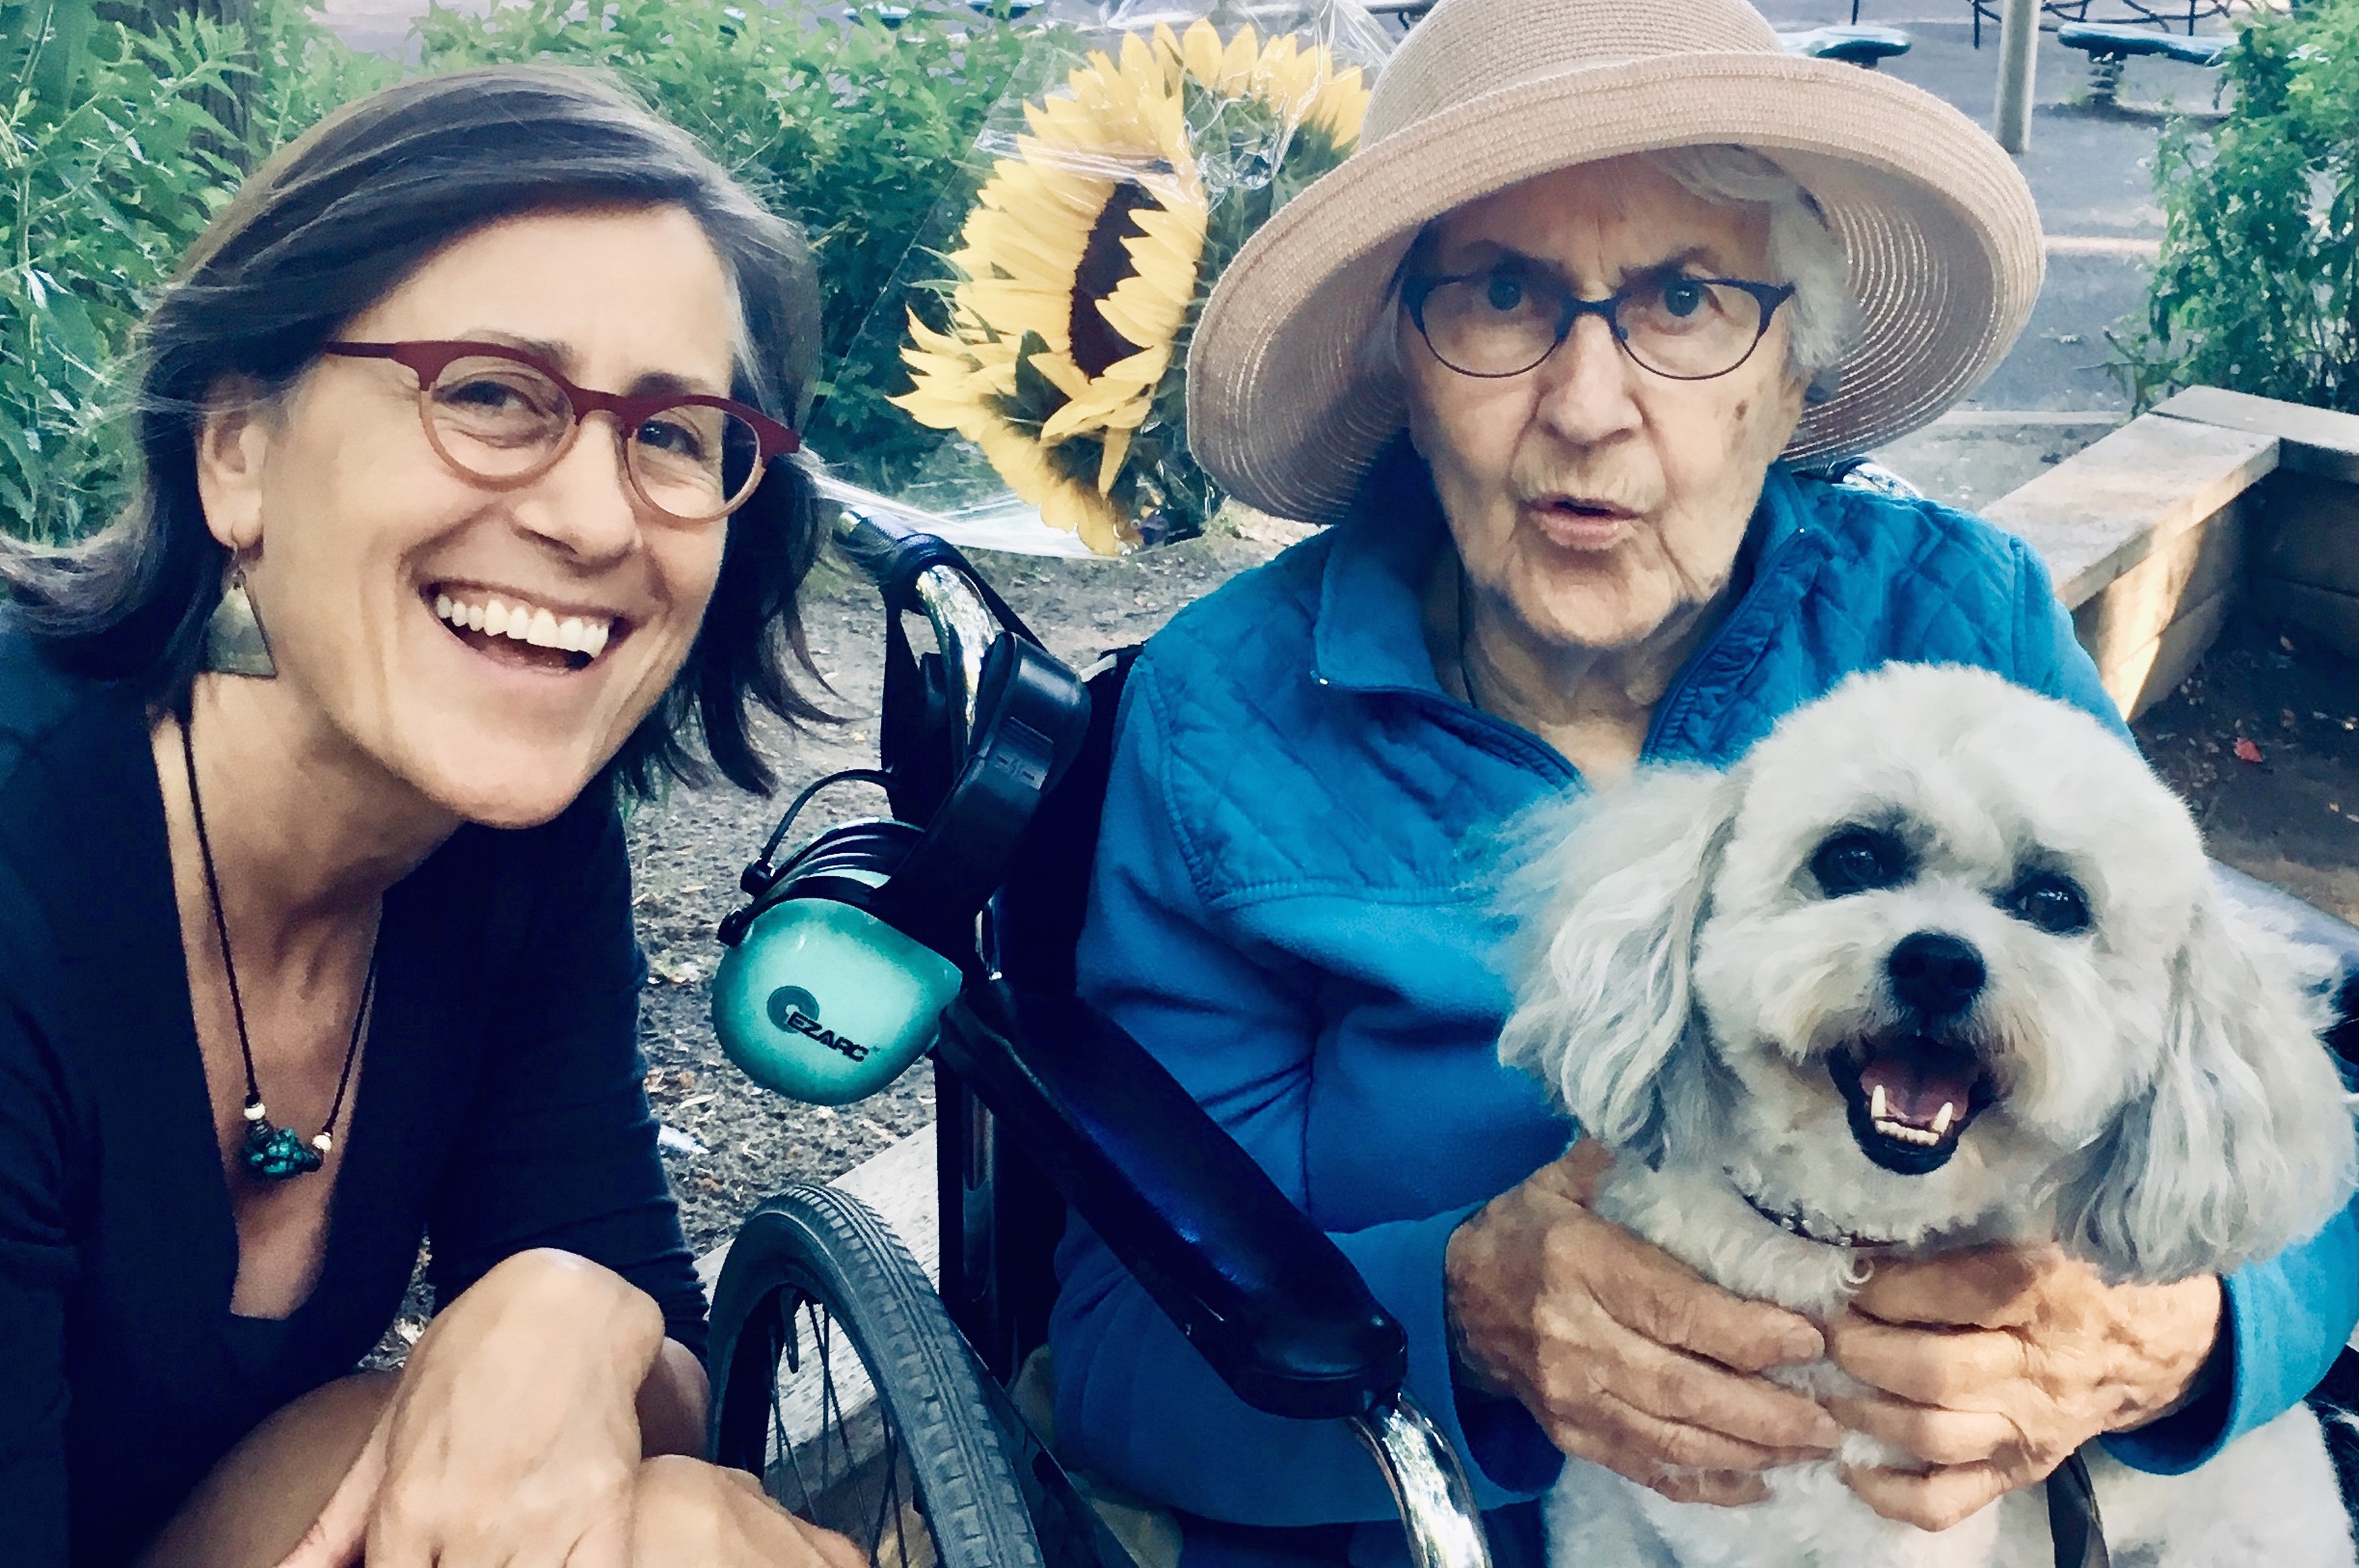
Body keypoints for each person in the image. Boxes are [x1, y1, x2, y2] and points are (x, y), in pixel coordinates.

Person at [1046, 0, 2359, 1562]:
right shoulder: (1220, 726)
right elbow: (1120, 1354)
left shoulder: (1960, 622)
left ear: (1794, 380)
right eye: (1501, 295)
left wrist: (2179, 1338)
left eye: (1684, 299)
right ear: (1407, 366)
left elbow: (2243, 1121)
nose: (1590, 404)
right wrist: (1461, 1322)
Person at [0, 66, 865, 1568]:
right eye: (489, 394)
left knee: (685, 1532)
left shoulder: (509, 842)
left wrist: (577, 1312)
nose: (596, 520)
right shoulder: (28, 864)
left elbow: (646, 1368)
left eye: (672, 432)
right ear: (236, 451)